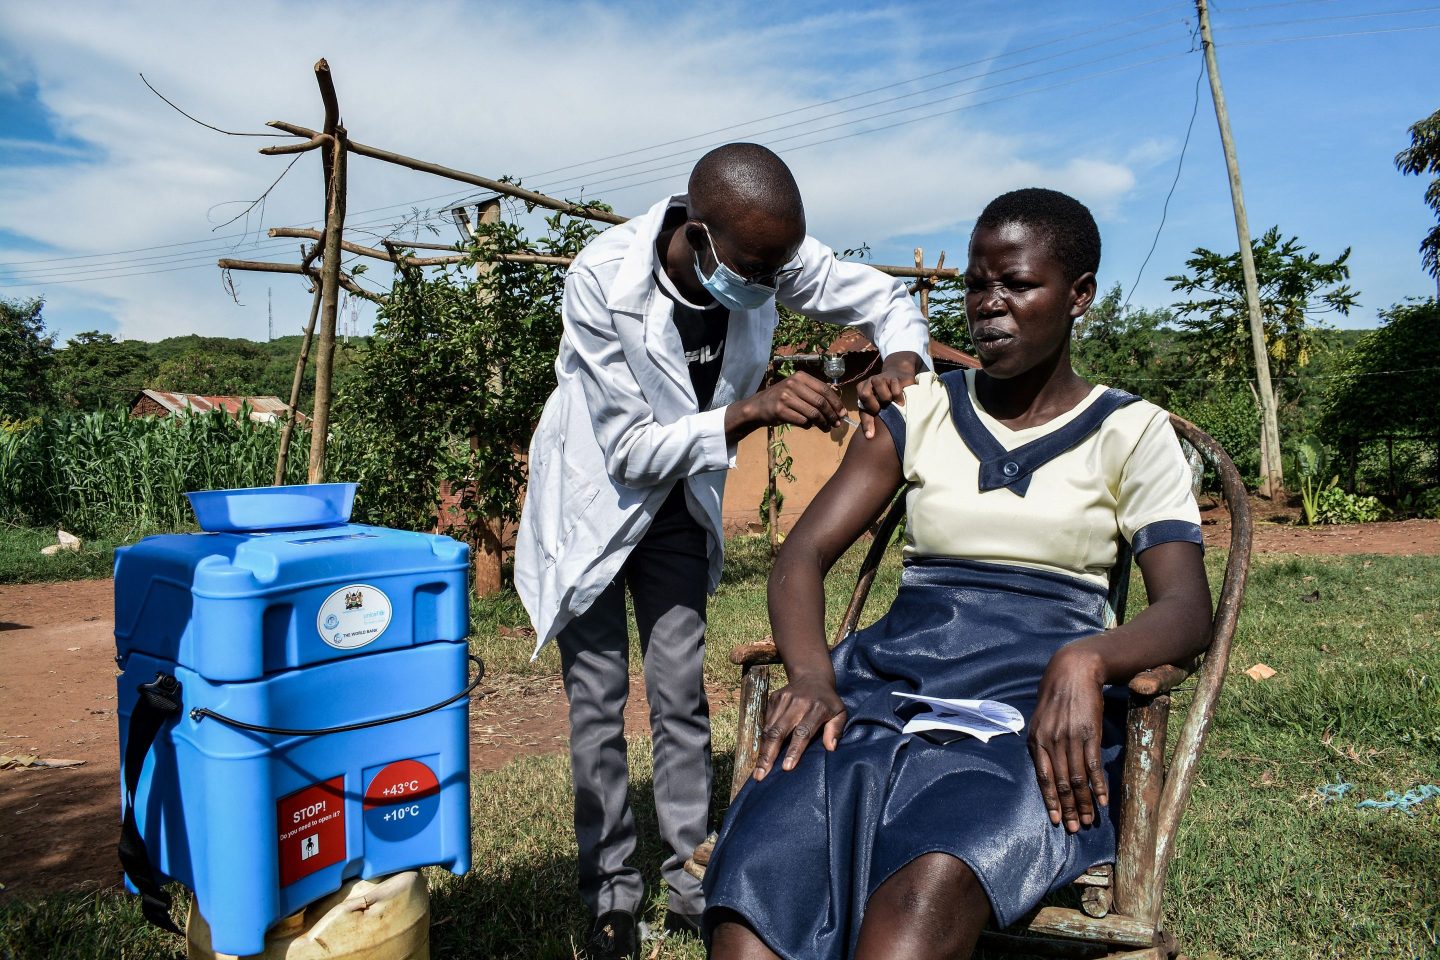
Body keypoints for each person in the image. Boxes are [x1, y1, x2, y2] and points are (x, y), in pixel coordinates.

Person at [702, 188, 1214, 960]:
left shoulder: (1131, 433)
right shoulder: (918, 411)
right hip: (888, 683)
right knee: (758, 892)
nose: (989, 306)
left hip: (1028, 711)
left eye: (1018, 284)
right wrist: (810, 677)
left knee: (920, 902)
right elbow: (801, 557)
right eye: (977, 285)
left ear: (1079, 297)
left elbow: (1185, 608)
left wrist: (1088, 657)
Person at [513, 142, 932, 959]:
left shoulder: (767, 256)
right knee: (597, 703)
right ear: (698, 236)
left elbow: (884, 297)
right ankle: (609, 896)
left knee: (678, 690)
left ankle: (689, 874)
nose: (769, 286)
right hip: (597, 499)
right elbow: (630, 448)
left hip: (677, 505)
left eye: (780, 270)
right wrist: (754, 410)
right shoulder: (603, 281)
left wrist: (903, 358)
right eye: (752, 268)